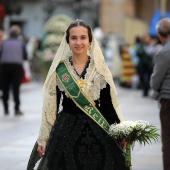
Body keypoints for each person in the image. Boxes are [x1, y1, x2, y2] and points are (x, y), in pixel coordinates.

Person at [27, 19, 129, 170]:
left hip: (98, 129)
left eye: (83, 37)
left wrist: (120, 131)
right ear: (67, 41)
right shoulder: (60, 70)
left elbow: (108, 105)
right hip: (65, 131)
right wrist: (44, 138)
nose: (78, 42)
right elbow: (51, 108)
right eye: (73, 38)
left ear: (90, 40)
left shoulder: (99, 70)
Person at [150, 18, 170, 170]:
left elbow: (155, 81)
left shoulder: (164, 52)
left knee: (168, 142)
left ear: (160, 35)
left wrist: (154, 90)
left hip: (168, 101)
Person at [0, 25, 27, 115]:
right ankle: (16, 109)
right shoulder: (21, 43)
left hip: (4, 66)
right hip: (16, 67)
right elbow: (25, 56)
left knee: (5, 88)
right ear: (18, 34)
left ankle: (6, 109)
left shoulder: (4, 42)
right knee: (16, 88)